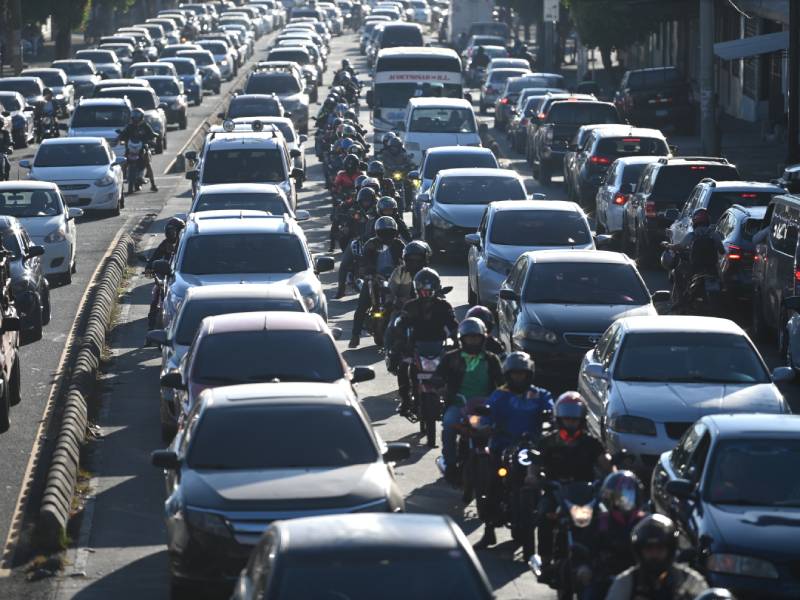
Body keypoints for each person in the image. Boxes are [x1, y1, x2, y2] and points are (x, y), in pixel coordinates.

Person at [477, 351, 553, 549]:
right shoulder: (499, 395)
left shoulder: (540, 395)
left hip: (532, 450)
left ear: (529, 374)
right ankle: (488, 531)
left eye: (522, 373)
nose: (518, 377)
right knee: (490, 484)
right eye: (514, 374)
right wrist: (486, 424)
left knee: (555, 483)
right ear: (507, 375)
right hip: (503, 447)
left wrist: (549, 421)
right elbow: (487, 414)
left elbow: (551, 413)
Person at [533, 392, 612, 580]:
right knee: (544, 515)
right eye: (567, 419)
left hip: (585, 494)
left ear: (581, 420)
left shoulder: (590, 443)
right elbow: (535, 463)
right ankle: (545, 563)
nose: (570, 423)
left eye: (574, 420)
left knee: (605, 519)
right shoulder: (548, 441)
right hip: (556, 492)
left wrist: (614, 477)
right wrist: (532, 476)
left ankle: (605, 559)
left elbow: (606, 464)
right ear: (559, 419)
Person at [435, 317, 503, 477]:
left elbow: (502, 383)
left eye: (476, 337)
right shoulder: (450, 358)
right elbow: (438, 377)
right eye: (469, 337)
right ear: (462, 339)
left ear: (483, 338)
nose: (473, 341)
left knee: (502, 430)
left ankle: (499, 465)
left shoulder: (492, 359)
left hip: (486, 408)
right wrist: (439, 388)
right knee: (449, 425)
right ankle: (450, 463)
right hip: (459, 405)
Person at [606, 515, 708, 600]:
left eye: (660, 548)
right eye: (649, 549)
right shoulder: (626, 582)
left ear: (670, 549)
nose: (654, 553)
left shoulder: (690, 580)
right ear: (640, 550)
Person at [387, 240, 432, 415]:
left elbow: (438, 291)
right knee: (392, 328)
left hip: (426, 315)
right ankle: (392, 356)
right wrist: (393, 301)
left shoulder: (430, 274)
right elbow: (391, 290)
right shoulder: (399, 272)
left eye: (417, 259)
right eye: (410, 259)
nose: (414, 263)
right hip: (404, 313)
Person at [588, 471, 649, 599]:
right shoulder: (600, 522)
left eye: (628, 494)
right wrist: (584, 567)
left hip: (642, 580)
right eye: (620, 495)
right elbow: (587, 549)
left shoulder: (647, 523)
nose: (624, 500)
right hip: (606, 579)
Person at [349, 216, 405, 348]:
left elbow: (405, 261)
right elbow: (364, 262)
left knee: (406, 303)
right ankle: (355, 336)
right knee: (362, 306)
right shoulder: (370, 244)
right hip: (374, 279)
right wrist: (369, 273)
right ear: (378, 232)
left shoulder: (399, 245)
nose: (386, 236)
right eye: (383, 232)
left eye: (389, 232)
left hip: (394, 279)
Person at [667, 207, 724, 311]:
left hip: (695, 268)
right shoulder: (714, 235)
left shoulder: (692, 235)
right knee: (722, 281)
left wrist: (669, 245)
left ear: (694, 221)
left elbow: (680, 247)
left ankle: (680, 300)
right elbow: (722, 250)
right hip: (712, 268)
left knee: (677, 272)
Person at [336, 186, 376, 298]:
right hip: (357, 240)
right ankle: (340, 290)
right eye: (364, 201)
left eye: (368, 200)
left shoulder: (378, 210)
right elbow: (346, 221)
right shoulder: (354, 211)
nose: (366, 203)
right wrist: (344, 226)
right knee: (344, 263)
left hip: (375, 241)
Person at [145, 217, 184, 330]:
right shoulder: (165, 244)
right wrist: (149, 267)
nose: (171, 234)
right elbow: (155, 256)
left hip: (178, 277)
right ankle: (151, 329)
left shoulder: (184, 244)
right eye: (169, 231)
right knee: (156, 293)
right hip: (166, 275)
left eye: (173, 231)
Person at [118, 109, 158, 192]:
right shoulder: (129, 127)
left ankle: (153, 184)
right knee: (123, 162)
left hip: (142, 148)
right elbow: (123, 134)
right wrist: (120, 137)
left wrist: (153, 140)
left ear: (141, 117)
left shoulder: (145, 126)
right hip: (131, 148)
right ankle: (121, 182)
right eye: (134, 116)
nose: (135, 118)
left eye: (137, 116)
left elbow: (152, 134)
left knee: (148, 163)